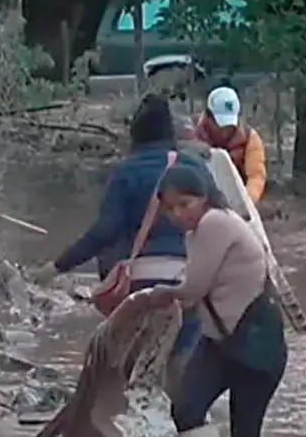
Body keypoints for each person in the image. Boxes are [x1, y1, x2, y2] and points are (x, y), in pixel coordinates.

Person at [128, 159, 289, 437]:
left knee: (240, 426)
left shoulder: (215, 223)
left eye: (185, 204)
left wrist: (156, 295)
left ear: (205, 198)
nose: (178, 214)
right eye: (170, 208)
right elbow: (196, 285)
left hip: (252, 342)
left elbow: (193, 288)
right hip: (224, 340)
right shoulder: (203, 230)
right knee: (190, 409)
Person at [29, 94, 201, 361]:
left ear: (135, 135)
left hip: (142, 287)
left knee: (135, 363)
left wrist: (55, 267)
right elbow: (224, 220)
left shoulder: (127, 172)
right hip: (190, 282)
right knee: (185, 363)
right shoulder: (196, 168)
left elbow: (104, 231)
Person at [193, 85, 268, 204]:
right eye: (220, 124)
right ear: (208, 116)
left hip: (236, 199)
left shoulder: (250, 139)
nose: (225, 130)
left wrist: (246, 202)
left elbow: (256, 176)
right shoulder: (192, 136)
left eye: (230, 125)